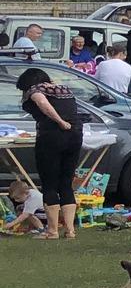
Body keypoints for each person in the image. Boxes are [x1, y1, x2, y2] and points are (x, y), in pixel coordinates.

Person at [14, 67, 84, 242]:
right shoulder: (63, 89)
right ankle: (70, 231)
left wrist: (60, 122)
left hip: (52, 136)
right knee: (66, 183)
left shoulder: (35, 90)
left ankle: (52, 231)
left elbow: (43, 104)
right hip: (75, 135)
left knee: (50, 183)